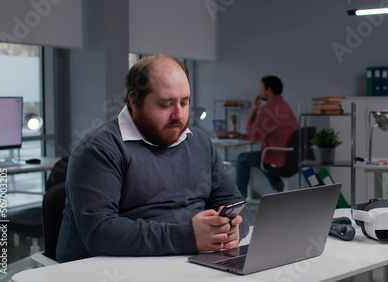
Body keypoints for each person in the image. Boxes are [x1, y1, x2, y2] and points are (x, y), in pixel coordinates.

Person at [56, 54, 251, 262]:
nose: (179, 115)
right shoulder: (99, 149)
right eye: (166, 104)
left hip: (187, 261)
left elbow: (236, 202)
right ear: (134, 101)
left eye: (184, 103)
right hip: (112, 269)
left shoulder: (199, 142)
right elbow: (99, 233)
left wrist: (233, 228)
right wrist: (187, 236)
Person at [235, 75, 299, 198]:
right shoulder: (283, 106)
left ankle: (238, 196)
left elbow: (253, 135)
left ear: (268, 90)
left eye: (262, 88)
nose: (260, 91)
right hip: (289, 155)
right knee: (260, 158)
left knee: (242, 158)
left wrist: (253, 111)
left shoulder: (269, 109)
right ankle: (277, 183)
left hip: (277, 156)